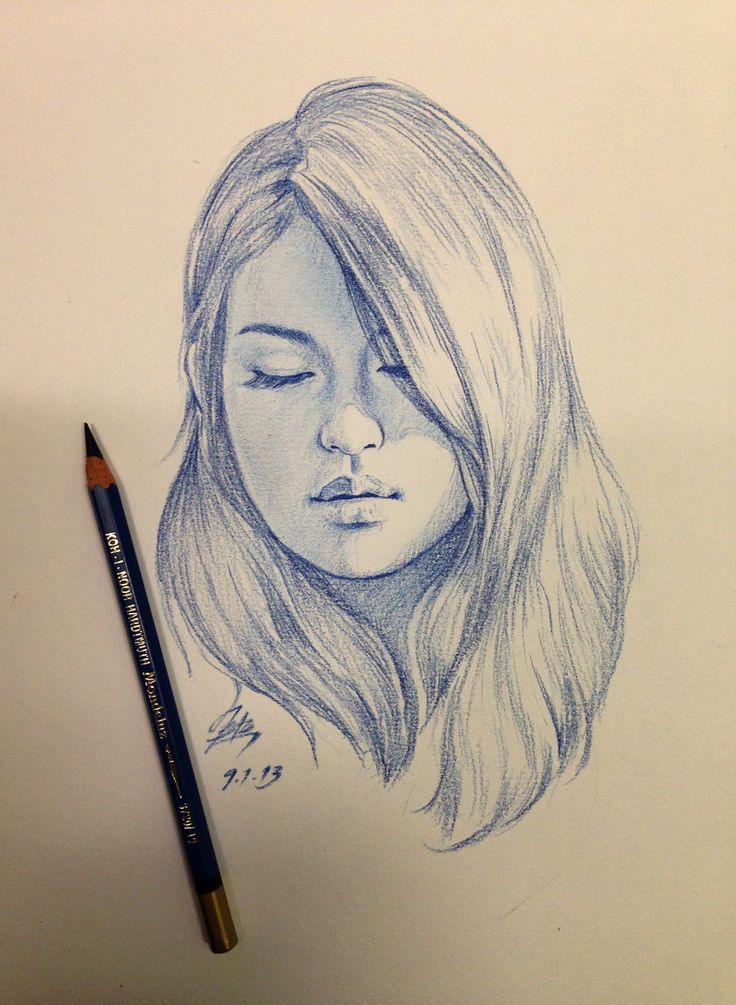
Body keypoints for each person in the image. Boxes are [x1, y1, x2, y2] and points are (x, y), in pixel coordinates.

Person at [157, 78, 638, 849]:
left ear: (511, 369)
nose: (350, 430)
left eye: (406, 368)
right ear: (206, 381)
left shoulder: (608, 636)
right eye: (282, 374)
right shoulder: (185, 661)